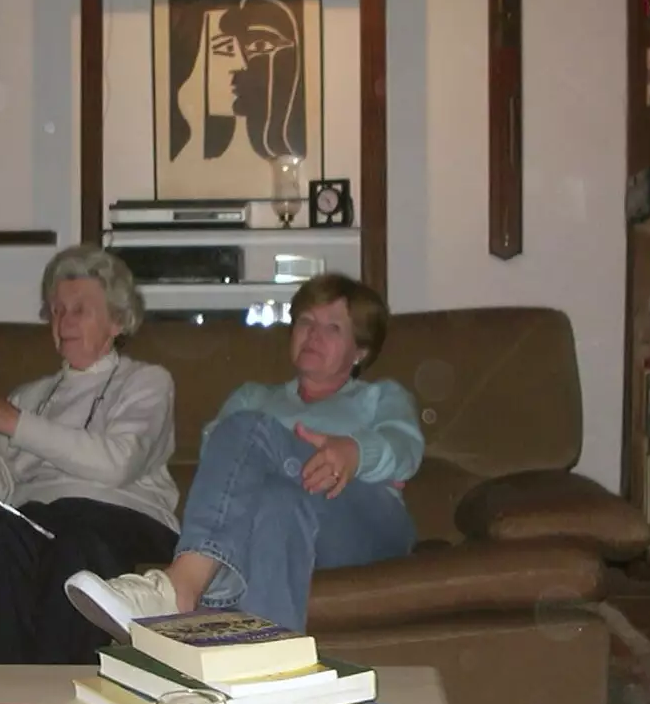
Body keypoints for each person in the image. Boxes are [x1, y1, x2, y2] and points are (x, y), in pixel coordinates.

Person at [64, 273, 422, 637]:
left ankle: (180, 586)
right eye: (306, 322)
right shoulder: (253, 396)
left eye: (333, 328)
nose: (313, 335)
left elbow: (405, 447)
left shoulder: (379, 396)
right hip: (291, 513)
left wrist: (353, 451)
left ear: (360, 350)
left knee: (250, 430)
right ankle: (269, 660)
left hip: (363, 519)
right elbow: (223, 461)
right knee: (277, 501)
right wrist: (287, 462)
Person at [0, 245, 180, 664]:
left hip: (124, 518)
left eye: (79, 310)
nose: (64, 321)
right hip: (37, 519)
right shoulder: (28, 396)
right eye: (56, 310)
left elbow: (117, 463)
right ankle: (8, 702)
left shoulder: (146, 382)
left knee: (75, 545)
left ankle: (63, 702)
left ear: (117, 320)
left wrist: (13, 423)